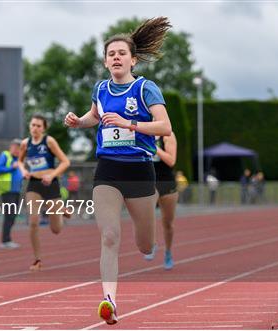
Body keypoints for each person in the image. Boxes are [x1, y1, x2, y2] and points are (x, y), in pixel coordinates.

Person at [65, 16, 172, 325]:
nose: (116, 57)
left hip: (139, 171)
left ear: (133, 59)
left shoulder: (145, 88)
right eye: (111, 53)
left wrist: (130, 124)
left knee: (145, 244)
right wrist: (78, 122)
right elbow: (94, 117)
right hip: (108, 171)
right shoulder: (101, 88)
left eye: (121, 53)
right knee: (109, 236)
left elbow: (165, 127)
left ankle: (149, 243)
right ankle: (109, 300)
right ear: (105, 61)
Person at [18, 114, 71, 271]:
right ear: (30, 126)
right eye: (33, 125)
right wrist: (23, 171)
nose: (35, 128)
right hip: (34, 184)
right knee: (33, 222)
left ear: (43, 128)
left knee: (56, 230)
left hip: (50, 184)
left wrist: (52, 175)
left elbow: (65, 162)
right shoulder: (25, 144)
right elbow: (20, 161)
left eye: (38, 126)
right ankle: (37, 259)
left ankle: (60, 209)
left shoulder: (49, 141)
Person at [144, 132, 178, 270]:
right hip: (149, 181)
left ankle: (168, 252)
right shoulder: (141, 133)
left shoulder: (167, 135)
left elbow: (171, 160)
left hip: (166, 182)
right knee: (146, 213)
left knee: (168, 223)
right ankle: (152, 243)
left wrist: (155, 147)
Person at [0, 139, 24, 249]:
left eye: (20, 148)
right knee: (9, 215)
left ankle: (7, 239)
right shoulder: (5, 156)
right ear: (11, 147)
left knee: (13, 216)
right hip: (7, 190)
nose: (17, 150)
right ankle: (5, 240)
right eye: (16, 147)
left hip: (16, 191)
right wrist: (12, 167)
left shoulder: (19, 159)